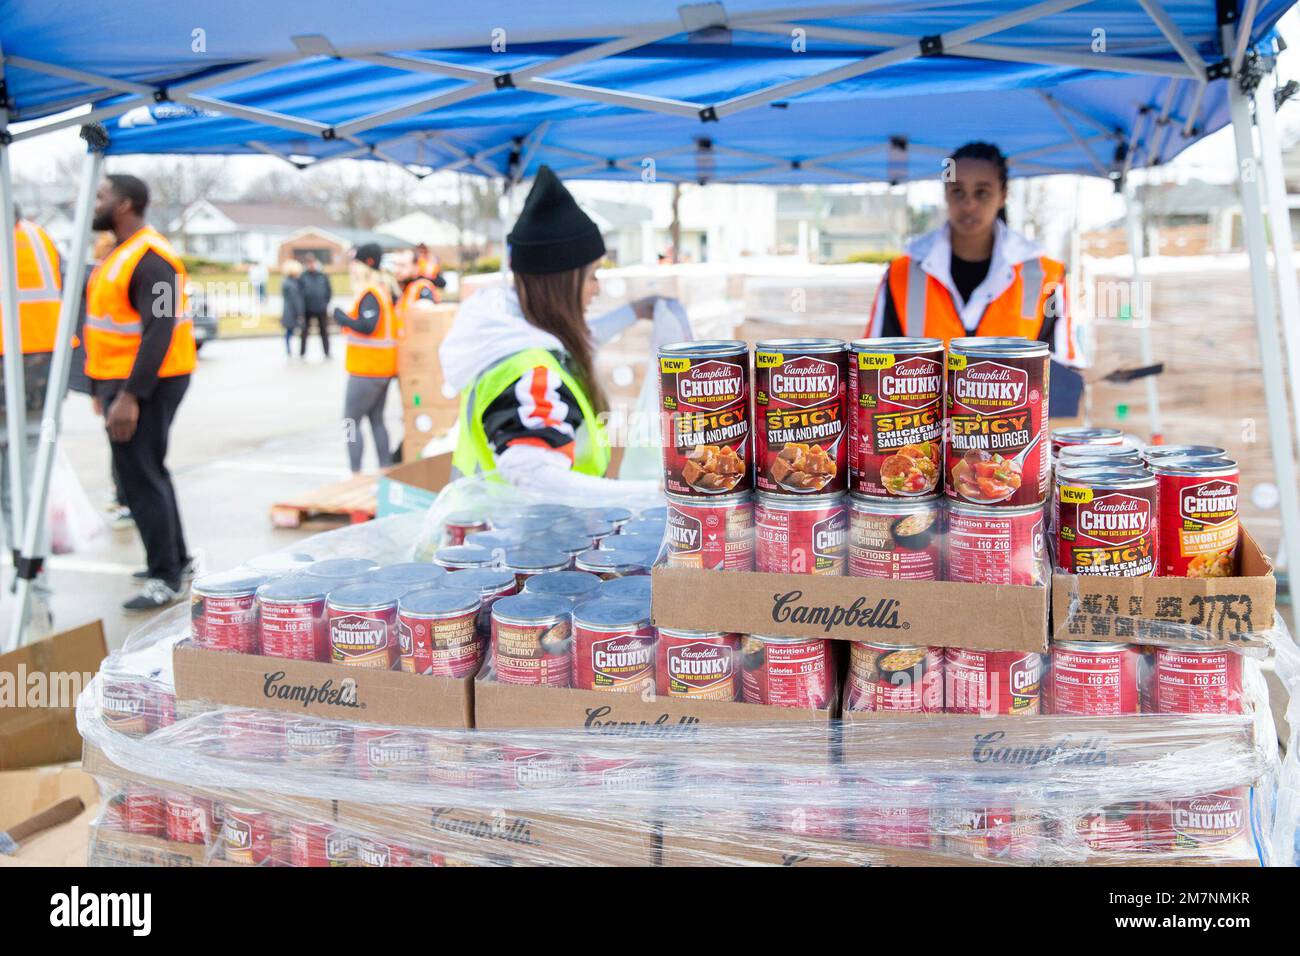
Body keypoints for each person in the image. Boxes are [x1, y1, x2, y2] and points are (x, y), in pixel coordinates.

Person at [440, 166, 663, 497]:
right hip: (522, 538)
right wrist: (652, 494)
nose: (597, 289)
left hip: (502, 535)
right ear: (562, 284)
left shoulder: (513, 331)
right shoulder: (530, 372)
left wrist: (635, 311)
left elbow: (578, 341)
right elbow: (532, 474)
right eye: (592, 276)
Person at [868, 142, 1084, 401]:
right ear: (945, 193)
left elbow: (1063, 372)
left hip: (1011, 432)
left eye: (982, 193)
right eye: (958, 192)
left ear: (1003, 195)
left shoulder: (1046, 274)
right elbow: (873, 365)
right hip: (917, 433)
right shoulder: (902, 272)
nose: (969, 204)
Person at [85, 174, 196, 611]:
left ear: (126, 203)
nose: (95, 203)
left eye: (102, 195)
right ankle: (175, 562)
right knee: (148, 472)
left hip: (148, 382)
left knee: (141, 476)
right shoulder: (121, 253)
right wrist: (101, 388)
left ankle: (164, 576)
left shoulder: (152, 259)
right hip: (124, 381)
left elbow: (160, 329)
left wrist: (130, 396)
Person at [0, 207, 63, 630]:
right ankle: (34, 584)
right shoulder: (38, 237)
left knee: (16, 493)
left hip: (11, 372)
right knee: (24, 491)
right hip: (38, 373)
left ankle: (32, 586)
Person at [332, 244, 400, 473]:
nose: (351, 268)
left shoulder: (370, 293)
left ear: (364, 265)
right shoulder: (383, 290)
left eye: (355, 263)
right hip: (381, 369)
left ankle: (355, 472)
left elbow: (368, 326)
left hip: (367, 370)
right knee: (376, 420)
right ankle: (384, 469)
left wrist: (342, 318)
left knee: (350, 421)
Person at [299, 255, 332, 358]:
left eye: (312, 262)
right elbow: (299, 292)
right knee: (304, 332)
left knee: (324, 331)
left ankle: (327, 352)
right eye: (309, 263)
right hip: (307, 308)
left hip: (321, 308)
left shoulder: (322, 275)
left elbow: (329, 291)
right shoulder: (303, 276)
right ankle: (302, 352)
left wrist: (325, 302)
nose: (311, 265)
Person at [279, 259, 305, 356]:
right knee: (291, 330)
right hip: (292, 311)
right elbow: (296, 299)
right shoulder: (291, 284)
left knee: (290, 330)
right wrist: (300, 313)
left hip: (288, 310)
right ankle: (289, 349)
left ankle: (289, 348)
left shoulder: (287, 281)